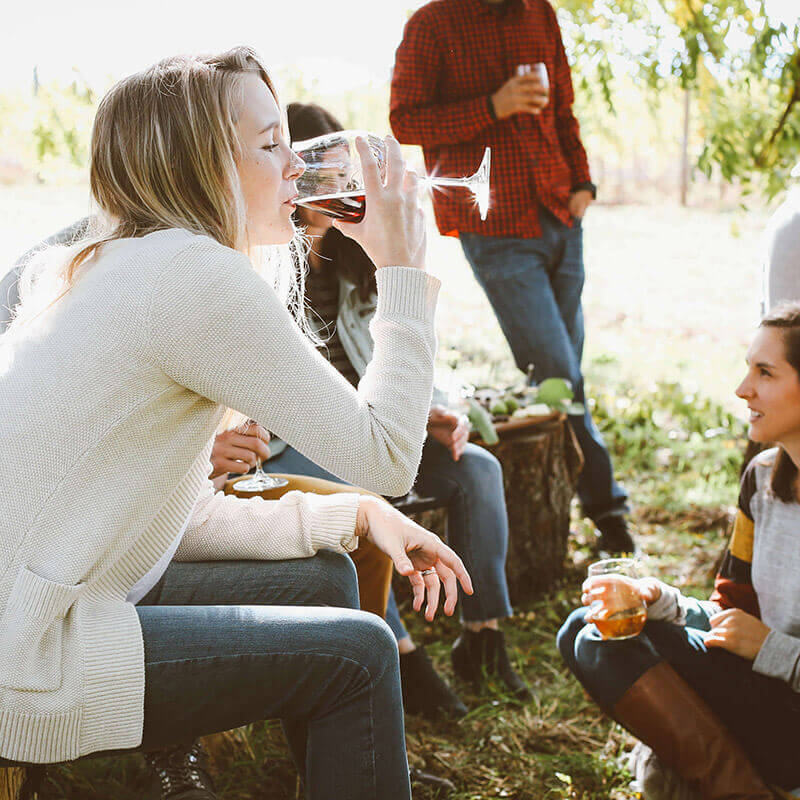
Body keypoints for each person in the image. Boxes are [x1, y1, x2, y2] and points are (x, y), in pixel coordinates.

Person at [0, 47, 474, 800]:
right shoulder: (191, 275)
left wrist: (353, 511)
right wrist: (404, 271)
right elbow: (387, 454)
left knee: (325, 578)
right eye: (269, 145)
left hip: (50, 598)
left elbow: (170, 520)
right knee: (361, 655)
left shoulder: (122, 259)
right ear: (199, 165)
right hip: (30, 648)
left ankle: (349, 768)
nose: (296, 167)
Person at [272, 101, 529, 711]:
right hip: (297, 446)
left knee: (477, 470)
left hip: (365, 431)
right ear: (293, 174)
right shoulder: (265, 267)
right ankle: (400, 653)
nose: (344, 187)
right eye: (328, 173)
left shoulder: (359, 258)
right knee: (356, 492)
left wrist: (437, 407)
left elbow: (397, 351)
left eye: (345, 173)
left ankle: (483, 637)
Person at [389, 0, 634, 554]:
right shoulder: (432, 24)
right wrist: (492, 106)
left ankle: (570, 505)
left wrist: (583, 184)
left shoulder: (538, 13)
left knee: (563, 380)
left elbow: (562, 107)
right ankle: (610, 514)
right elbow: (406, 121)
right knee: (558, 374)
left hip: (560, 212)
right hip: (493, 224)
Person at [556, 302, 800, 798]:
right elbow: (734, 614)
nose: (742, 388)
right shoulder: (761, 479)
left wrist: (773, 650)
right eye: (748, 367)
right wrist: (662, 602)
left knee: (601, 644)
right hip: (761, 689)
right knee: (583, 628)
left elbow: (754, 639)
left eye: (765, 372)